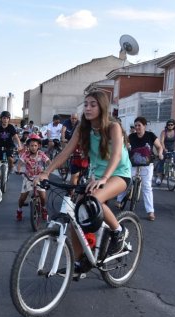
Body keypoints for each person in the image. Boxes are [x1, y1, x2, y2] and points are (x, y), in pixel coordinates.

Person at [37, 90, 132, 266]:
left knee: (94, 200)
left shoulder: (113, 127)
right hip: (95, 175)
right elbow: (66, 152)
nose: (88, 108)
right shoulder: (83, 128)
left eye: (93, 104)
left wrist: (104, 178)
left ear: (102, 107)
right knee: (76, 215)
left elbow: (117, 155)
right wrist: (46, 172)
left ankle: (119, 231)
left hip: (118, 173)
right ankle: (81, 260)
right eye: (86, 104)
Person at [117, 116, 164, 221]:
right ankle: (119, 200)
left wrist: (160, 154)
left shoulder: (150, 135)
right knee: (126, 181)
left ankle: (150, 212)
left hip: (147, 165)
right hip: (132, 163)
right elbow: (124, 146)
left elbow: (159, 146)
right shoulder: (131, 136)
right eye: (136, 125)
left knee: (147, 187)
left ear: (144, 126)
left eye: (139, 125)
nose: (137, 127)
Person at [16, 134, 50, 221]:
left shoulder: (41, 154)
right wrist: (19, 169)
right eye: (31, 145)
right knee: (23, 197)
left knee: (42, 196)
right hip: (28, 177)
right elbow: (20, 162)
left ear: (39, 146)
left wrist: (49, 168)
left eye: (35, 145)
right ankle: (19, 210)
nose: (33, 147)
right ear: (28, 146)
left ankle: (44, 209)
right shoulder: (25, 155)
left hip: (40, 177)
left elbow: (48, 161)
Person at [155, 119, 175, 185]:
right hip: (164, 149)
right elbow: (161, 141)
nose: (170, 126)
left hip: (172, 150)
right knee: (162, 161)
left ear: (174, 125)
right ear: (167, 125)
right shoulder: (164, 132)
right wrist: (164, 149)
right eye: (169, 125)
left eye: (171, 124)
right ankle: (159, 177)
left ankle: (171, 173)